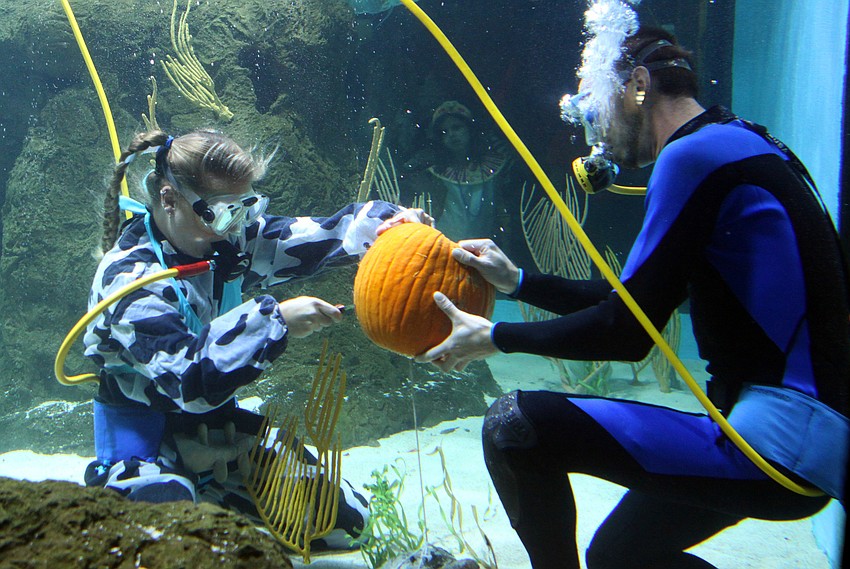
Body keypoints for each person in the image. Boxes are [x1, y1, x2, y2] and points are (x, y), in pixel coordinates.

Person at [415, 27, 850, 568]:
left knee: (515, 427)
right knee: (624, 556)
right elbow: (635, 298)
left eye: (600, 108)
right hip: (809, 440)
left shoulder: (691, 158)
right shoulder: (737, 143)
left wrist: (496, 337)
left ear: (639, 86)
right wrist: (520, 283)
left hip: (776, 444)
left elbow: (627, 332)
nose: (598, 134)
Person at [83, 128, 429, 551]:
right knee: (163, 527)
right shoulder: (130, 280)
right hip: (144, 427)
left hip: (215, 426)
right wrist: (276, 320)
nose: (237, 226)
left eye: (247, 207)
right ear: (169, 199)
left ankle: (208, 486)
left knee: (345, 521)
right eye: (222, 212)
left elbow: (318, 235)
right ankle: (138, 476)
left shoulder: (227, 240)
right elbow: (190, 380)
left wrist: (390, 225)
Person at [404, 100, 514, 244]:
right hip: (445, 245)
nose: (451, 135)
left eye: (457, 128)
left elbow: (501, 210)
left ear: (469, 129)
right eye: (444, 132)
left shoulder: (494, 167)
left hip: (484, 245)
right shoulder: (433, 172)